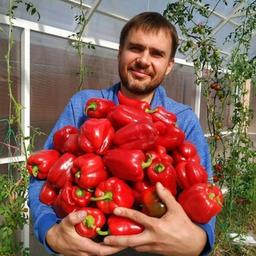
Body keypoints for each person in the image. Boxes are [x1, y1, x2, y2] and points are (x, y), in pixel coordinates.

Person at [28, 12, 215, 256]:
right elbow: (44, 181)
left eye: (157, 54)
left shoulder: (183, 119)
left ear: (169, 66)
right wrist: (50, 232)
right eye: (135, 48)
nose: (143, 60)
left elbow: (203, 192)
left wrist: (199, 241)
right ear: (120, 52)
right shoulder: (83, 105)